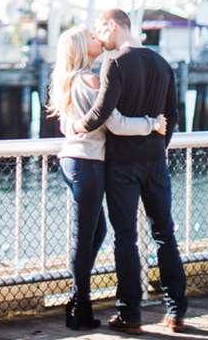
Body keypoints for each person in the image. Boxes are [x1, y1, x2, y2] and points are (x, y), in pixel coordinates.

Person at [70, 8, 186, 334]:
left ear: (113, 26)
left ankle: (129, 314)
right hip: (155, 162)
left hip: (121, 165)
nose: (99, 37)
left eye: (100, 29)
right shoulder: (163, 65)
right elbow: (172, 115)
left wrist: (79, 125)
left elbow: (104, 110)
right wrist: (159, 149)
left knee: (126, 239)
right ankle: (176, 311)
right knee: (164, 234)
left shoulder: (115, 63)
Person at [47, 25, 167, 330]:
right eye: (90, 37)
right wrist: (152, 124)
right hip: (87, 163)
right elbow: (113, 123)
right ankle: (79, 307)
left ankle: (78, 297)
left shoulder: (70, 80)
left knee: (94, 232)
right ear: (80, 47)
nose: (97, 39)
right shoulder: (91, 78)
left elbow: (67, 126)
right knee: (84, 235)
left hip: (72, 161)